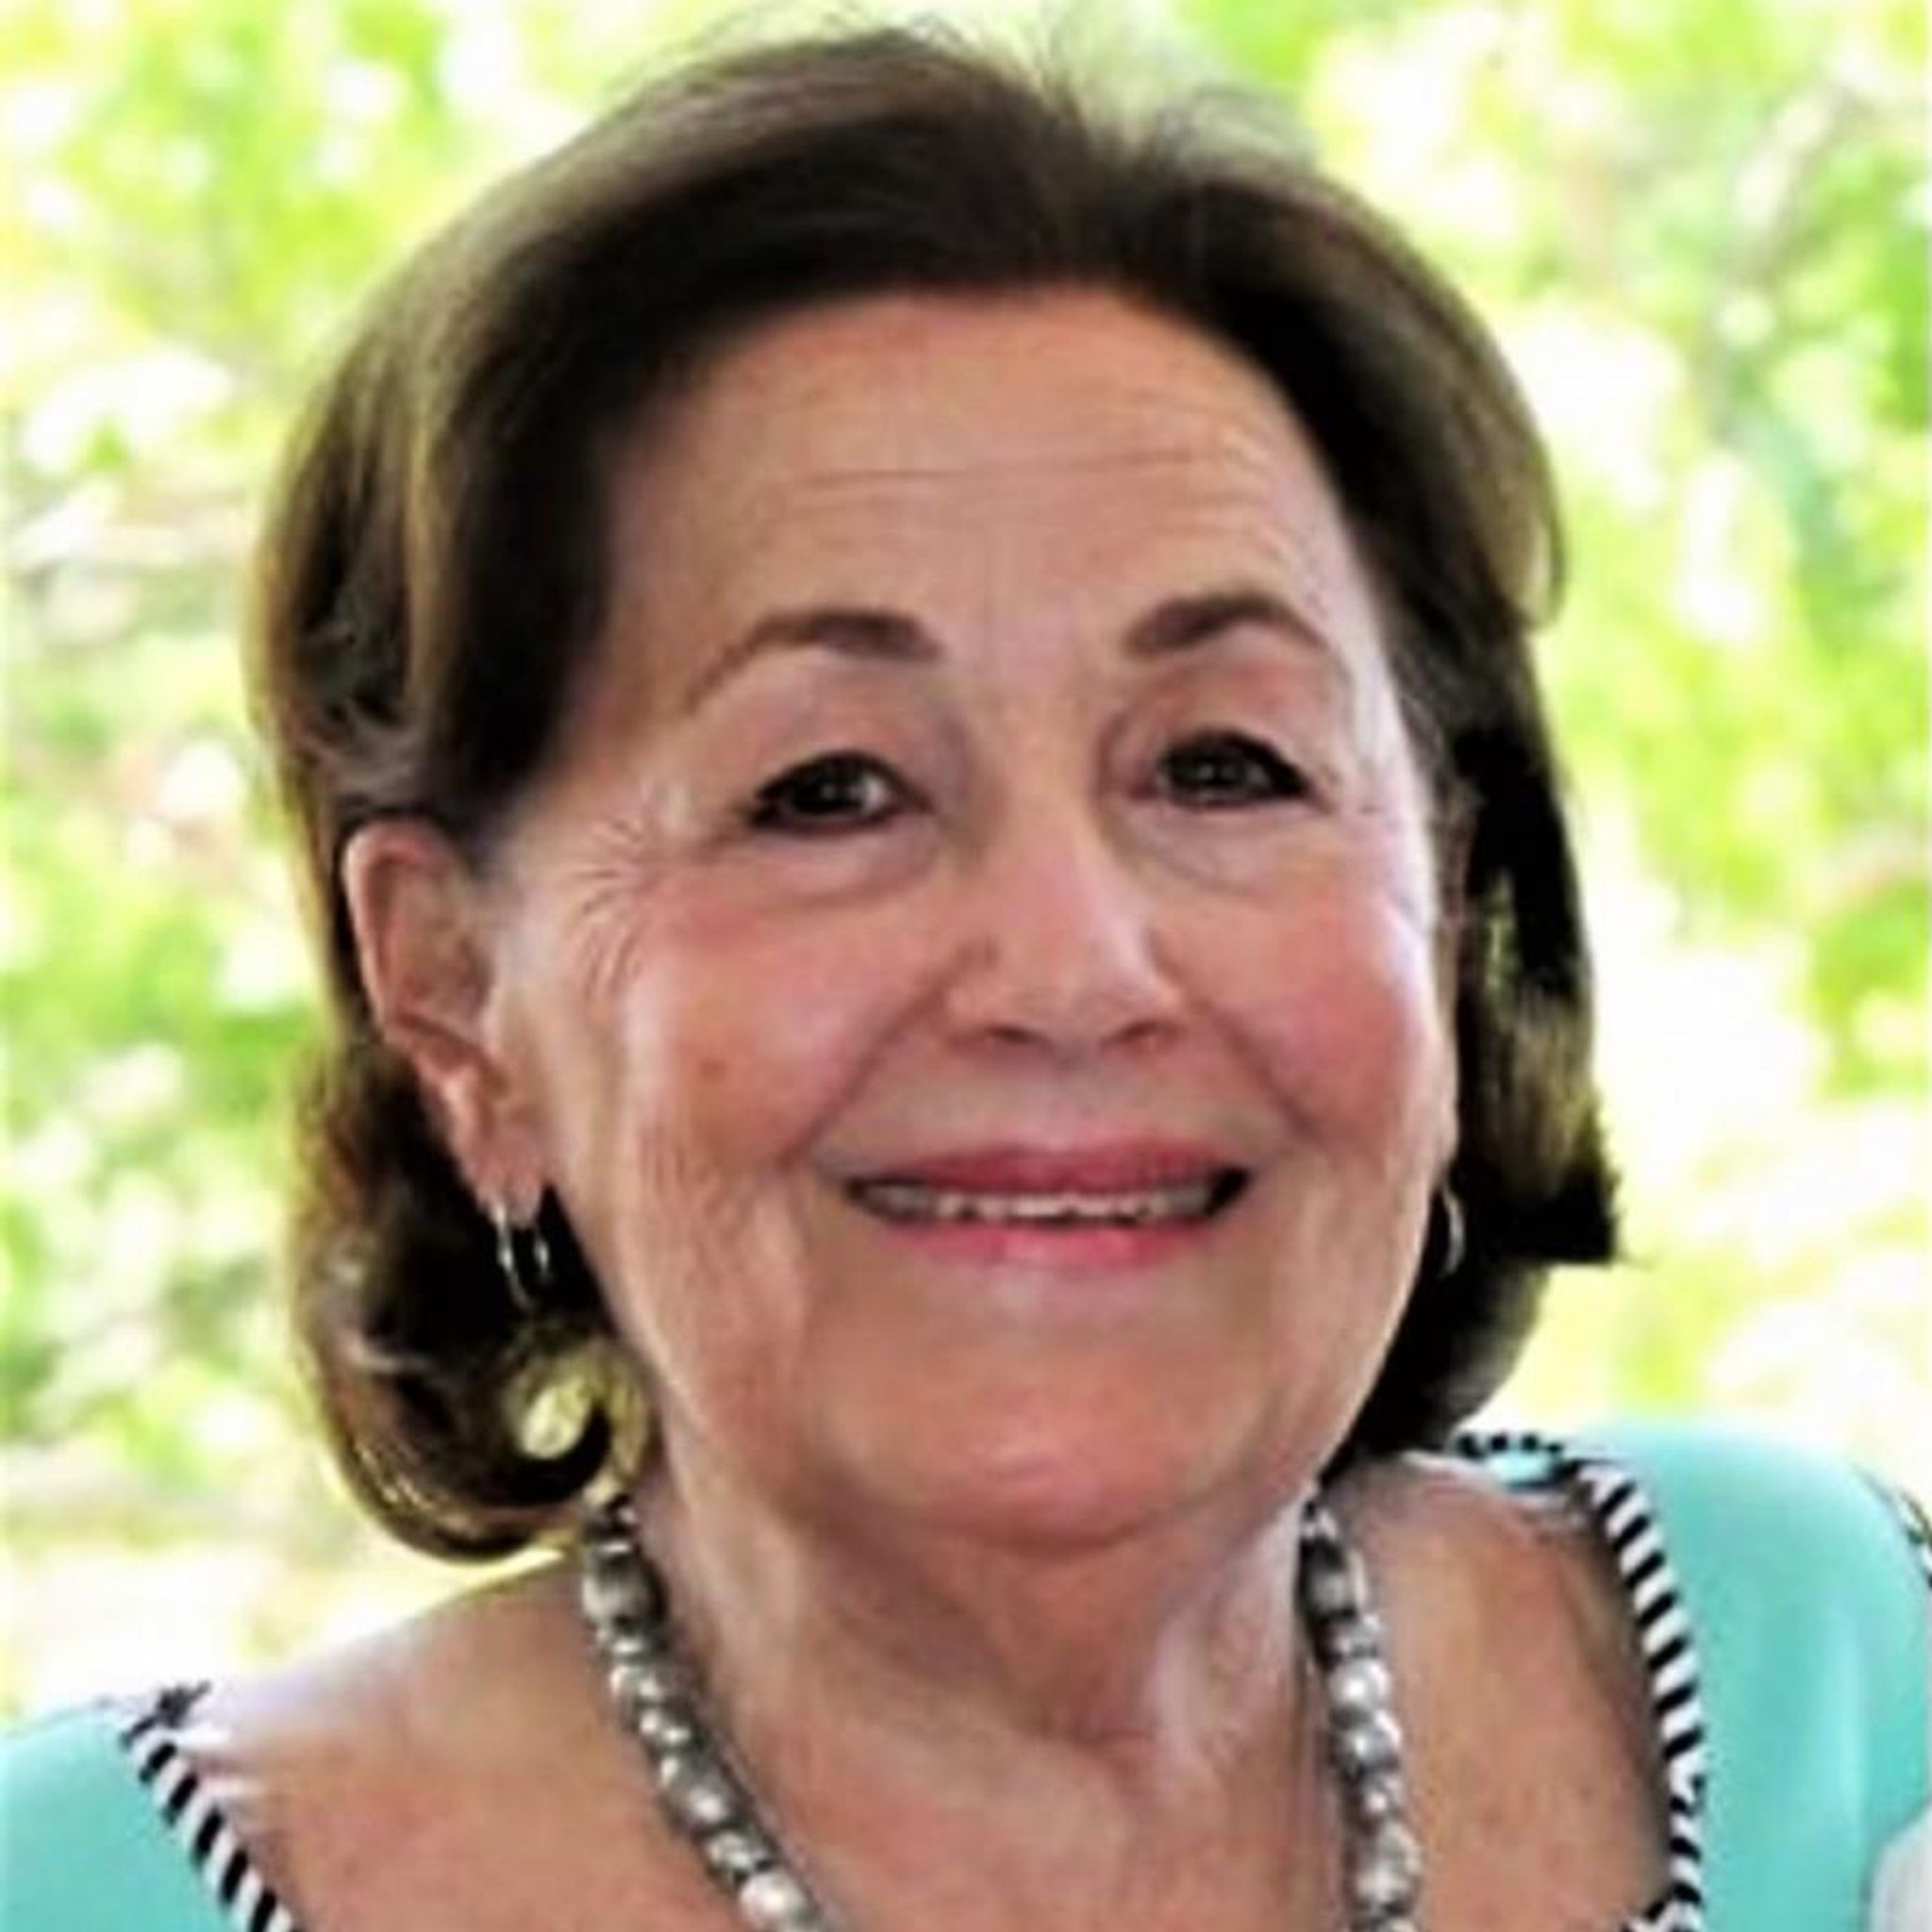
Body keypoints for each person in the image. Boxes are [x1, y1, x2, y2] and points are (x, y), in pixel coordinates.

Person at [3, 24, 1925, 1932]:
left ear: (1446, 896)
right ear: (456, 999)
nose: (1071, 968)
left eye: (1223, 765)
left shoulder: (1840, 1686)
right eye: (828, 790)